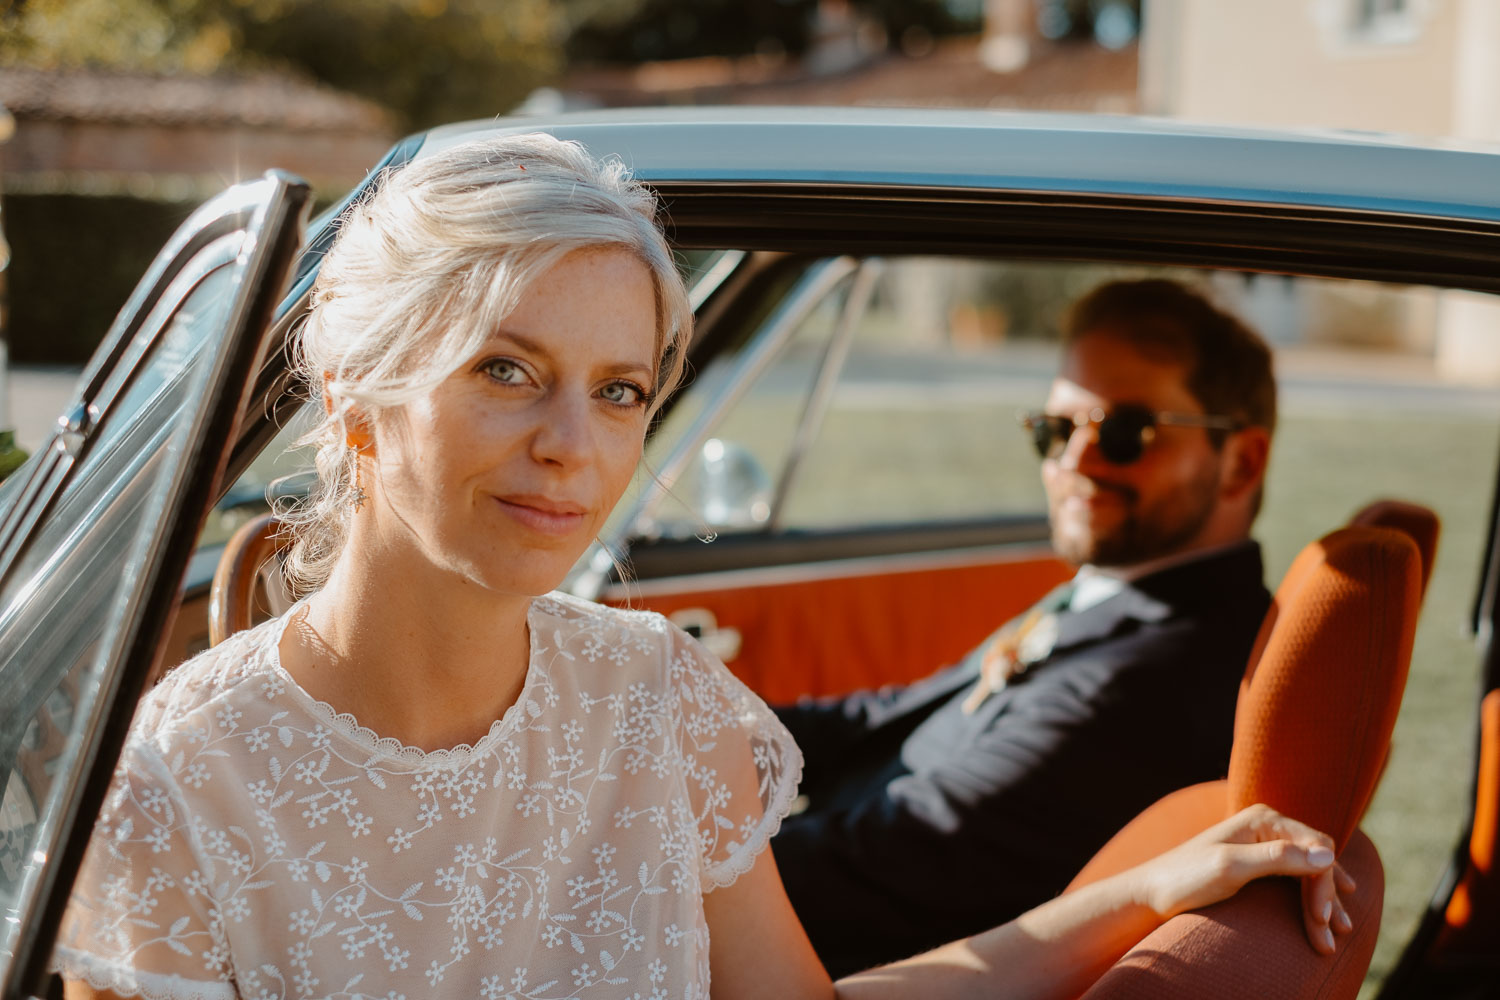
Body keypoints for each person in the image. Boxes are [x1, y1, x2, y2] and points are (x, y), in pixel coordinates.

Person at [52, 136, 1346, 1000]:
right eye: (507, 370)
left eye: (620, 392)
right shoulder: (174, 788)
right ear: (354, 398)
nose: (572, 448)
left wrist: (1149, 893)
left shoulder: (659, 705)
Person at [773, 279, 1279, 977]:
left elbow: (884, 862)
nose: (1075, 461)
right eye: (1056, 429)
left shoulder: (1148, 683)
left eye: (1128, 430)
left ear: (1241, 462)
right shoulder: (1121, 594)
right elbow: (896, 713)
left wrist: (635, 838)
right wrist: (709, 729)